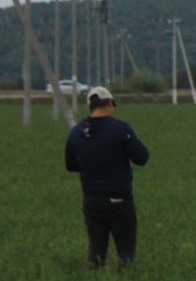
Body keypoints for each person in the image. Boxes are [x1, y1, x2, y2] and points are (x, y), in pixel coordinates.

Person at [64, 86, 151, 269]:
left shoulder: (76, 132)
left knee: (96, 251)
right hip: (119, 201)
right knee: (126, 252)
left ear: (90, 106)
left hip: (91, 201)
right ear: (109, 103)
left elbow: (71, 166)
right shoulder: (120, 129)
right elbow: (142, 157)